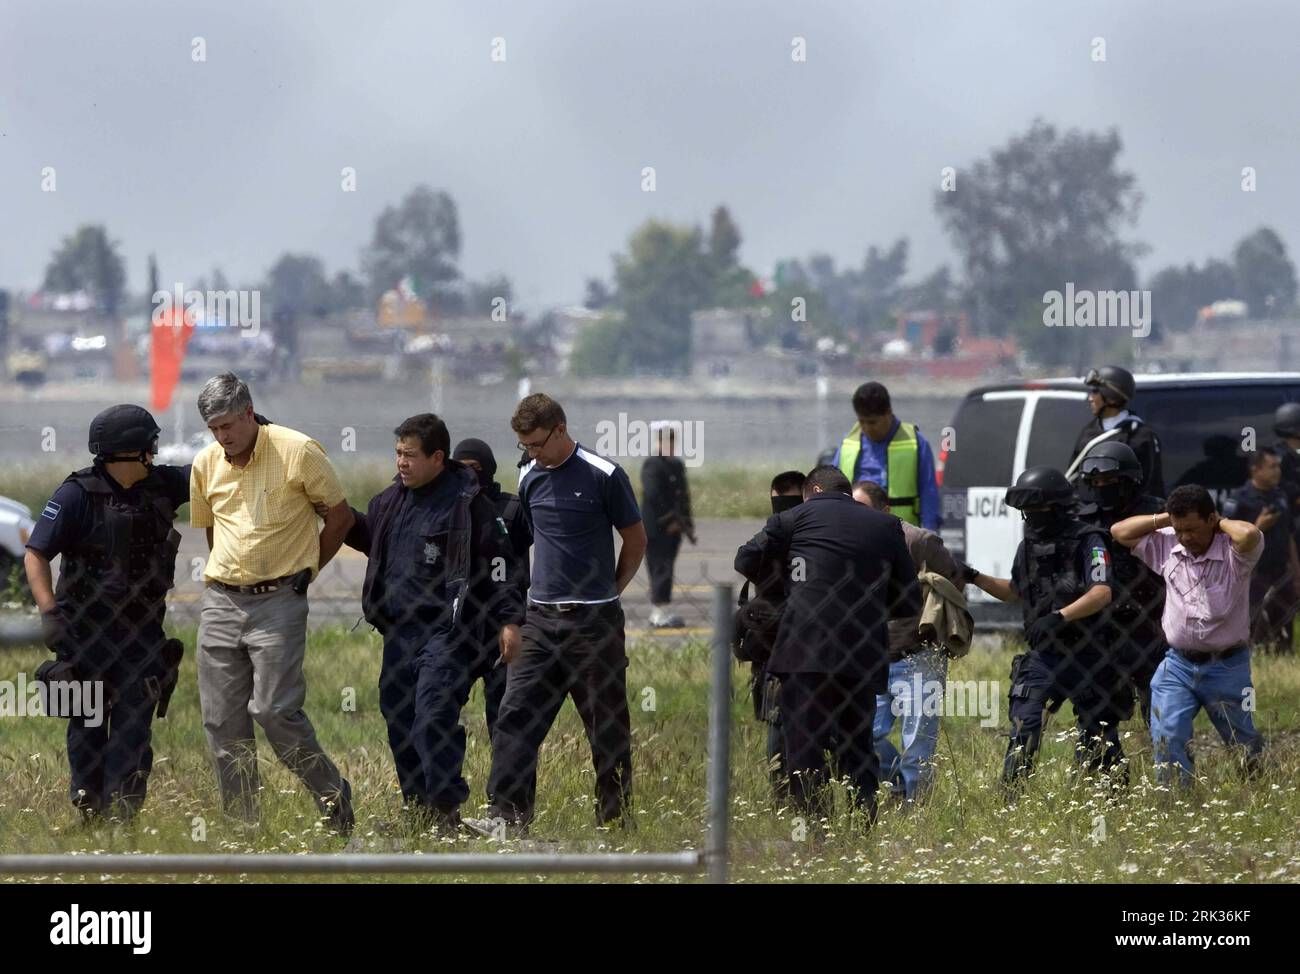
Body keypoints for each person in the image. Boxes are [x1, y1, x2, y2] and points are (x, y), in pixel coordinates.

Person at [469, 394, 646, 835]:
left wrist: (609, 591)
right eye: (524, 446)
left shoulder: (605, 475)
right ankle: (507, 817)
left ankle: (614, 823)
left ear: (560, 430)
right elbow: (525, 539)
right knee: (513, 717)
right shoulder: (530, 475)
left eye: (536, 444)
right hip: (541, 623)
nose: (531, 453)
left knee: (606, 728)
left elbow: (636, 540)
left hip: (594, 626)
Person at [189, 373, 357, 834]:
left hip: (280, 600)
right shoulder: (205, 463)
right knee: (221, 721)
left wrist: (308, 571)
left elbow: (340, 517)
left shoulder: (298, 451)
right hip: (222, 601)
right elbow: (210, 529)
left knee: (273, 710)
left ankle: (332, 795)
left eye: (228, 425)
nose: (222, 437)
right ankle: (245, 828)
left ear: (249, 413)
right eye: (213, 429)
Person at [337, 417, 522, 832]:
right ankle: (418, 811)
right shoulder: (388, 502)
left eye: (411, 455)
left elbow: (500, 566)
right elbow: (374, 541)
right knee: (399, 719)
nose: (402, 462)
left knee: (432, 717)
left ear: (438, 458)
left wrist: (510, 621)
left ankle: (446, 811)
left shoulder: (469, 503)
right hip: (398, 633)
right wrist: (337, 514)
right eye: (398, 453)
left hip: (448, 633)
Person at [23, 405, 188, 822]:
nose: (156, 450)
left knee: (134, 732)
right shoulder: (76, 494)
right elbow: (36, 553)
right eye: (150, 443)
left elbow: (217, 469)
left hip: (142, 636)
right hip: (84, 636)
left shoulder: (164, 485)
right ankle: (90, 810)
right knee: (87, 728)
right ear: (133, 452)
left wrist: (259, 431)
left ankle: (122, 818)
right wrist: (49, 614)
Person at [734, 466, 920, 826]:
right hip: (861, 654)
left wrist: (788, 585)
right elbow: (909, 601)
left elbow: (744, 560)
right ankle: (862, 827)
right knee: (858, 747)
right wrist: (867, 605)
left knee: (804, 749)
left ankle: (814, 832)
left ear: (813, 490)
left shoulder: (791, 519)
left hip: (805, 652)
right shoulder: (885, 526)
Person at [965, 466, 1129, 793]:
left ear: (1054, 507)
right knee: (1024, 725)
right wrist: (973, 577)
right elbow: (1015, 591)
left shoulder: (1090, 540)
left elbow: (1101, 592)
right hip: (1044, 656)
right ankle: (1011, 798)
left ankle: (1116, 799)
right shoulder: (1029, 545)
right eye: (1025, 513)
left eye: (1034, 511)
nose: (1029, 518)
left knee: (1099, 735)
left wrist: (1060, 616)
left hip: (1088, 653)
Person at [1110, 485, 1266, 785]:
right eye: (1179, 529)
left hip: (1227, 665)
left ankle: (1258, 790)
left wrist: (1220, 523)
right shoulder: (1169, 546)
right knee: (1167, 734)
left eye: (1193, 529)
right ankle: (1176, 801)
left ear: (1210, 519)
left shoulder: (1235, 554)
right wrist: (1164, 520)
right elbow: (1119, 531)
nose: (1185, 538)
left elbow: (1248, 534)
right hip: (1177, 665)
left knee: (1243, 741)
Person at [852, 479, 964, 804]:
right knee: (866, 734)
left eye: (863, 509)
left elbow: (954, 582)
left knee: (918, 743)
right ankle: (899, 785)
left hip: (919, 656)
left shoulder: (918, 540)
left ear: (885, 511)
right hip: (872, 656)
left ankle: (917, 813)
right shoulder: (850, 544)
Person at [1076, 441, 1167, 723]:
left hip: (1152, 622)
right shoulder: (1084, 517)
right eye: (1096, 481)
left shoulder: (1156, 512)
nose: (1103, 486)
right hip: (1102, 625)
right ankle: (1101, 764)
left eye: (1110, 480)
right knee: (1098, 712)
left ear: (1129, 480)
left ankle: (1169, 763)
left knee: (1161, 709)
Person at [732, 470, 806, 799]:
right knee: (777, 721)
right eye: (781, 501)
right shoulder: (774, 534)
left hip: (805, 635)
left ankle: (805, 787)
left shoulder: (810, 533)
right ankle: (781, 792)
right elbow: (744, 561)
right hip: (772, 639)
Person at [452, 437, 532, 732]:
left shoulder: (513, 508)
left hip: (504, 622)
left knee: (505, 715)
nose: (469, 475)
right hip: (461, 624)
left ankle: (510, 777)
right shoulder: (452, 508)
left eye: (475, 468)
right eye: (461, 469)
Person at [831, 381, 940, 529]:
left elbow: (929, 492)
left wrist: (930, 533)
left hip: (902, 535)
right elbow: (833, 489)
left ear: (888, 413)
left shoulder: (915, 442)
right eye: (862, 422)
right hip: (855, 530)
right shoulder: (848, 443)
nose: (867, 428)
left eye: (872, 422)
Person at [1221, 449, 1300, 652]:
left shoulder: (1280, 495)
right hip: (1255, 574)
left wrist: (1296, 572)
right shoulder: (1240, 500)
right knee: (1257, 624)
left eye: (1278, 466)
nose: (1277, 471)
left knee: (1285, 622)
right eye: (1272, 466)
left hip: (1281, 573)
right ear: (1255, 470)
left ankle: (1284, 659)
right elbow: (1228, 541)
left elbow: (1290, 535)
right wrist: (1259, 526)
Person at [1068, 365, 1165, 496]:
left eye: (1095, 392)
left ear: (1112, 397)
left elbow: (1151, 486)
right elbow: (1076, 481)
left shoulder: (1140, 436)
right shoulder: (1088, 432)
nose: (1090, 398)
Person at [640, 423, 695, 629]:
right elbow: (654, 496)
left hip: (674, 529)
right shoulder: (652, 465)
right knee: (659, 567)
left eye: (672, 441)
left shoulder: (677, 465)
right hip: (656, 529)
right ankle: (658, 612)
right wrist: (670, 519)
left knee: (667, 567)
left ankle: (663, 608)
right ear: (658, 442)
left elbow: (683, 496)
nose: (669, 445)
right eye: (665, 441)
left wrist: (687, 522)